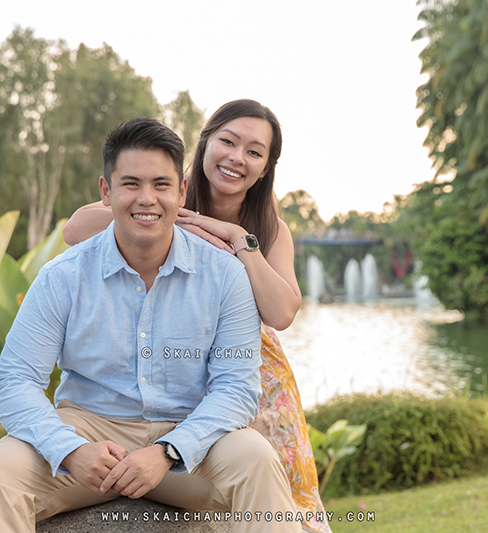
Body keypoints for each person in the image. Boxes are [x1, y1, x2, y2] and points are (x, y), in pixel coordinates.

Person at [0, 118, 302, 533]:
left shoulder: (226, 275)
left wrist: (167, 452)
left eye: (161, 185)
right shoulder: (63, 276)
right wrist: (70, 450)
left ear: (181, 192)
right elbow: (13, 380)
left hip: (191, 436)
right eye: (130, 184)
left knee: (257, 460)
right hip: (88, 429)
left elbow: (236, 389)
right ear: (106, 192)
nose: (147, 199)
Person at [63, 100, 331, 533]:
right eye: (227, 141)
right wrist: (178, 221)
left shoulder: (269, 227)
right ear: (204, 144)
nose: (236, 158)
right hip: (175, 355)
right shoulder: (162, 192)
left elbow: (282, 312)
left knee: (279, 498)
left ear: (265, 168)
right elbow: (75, 230)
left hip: (246, 370)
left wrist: (237, 240)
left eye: (254, 152)